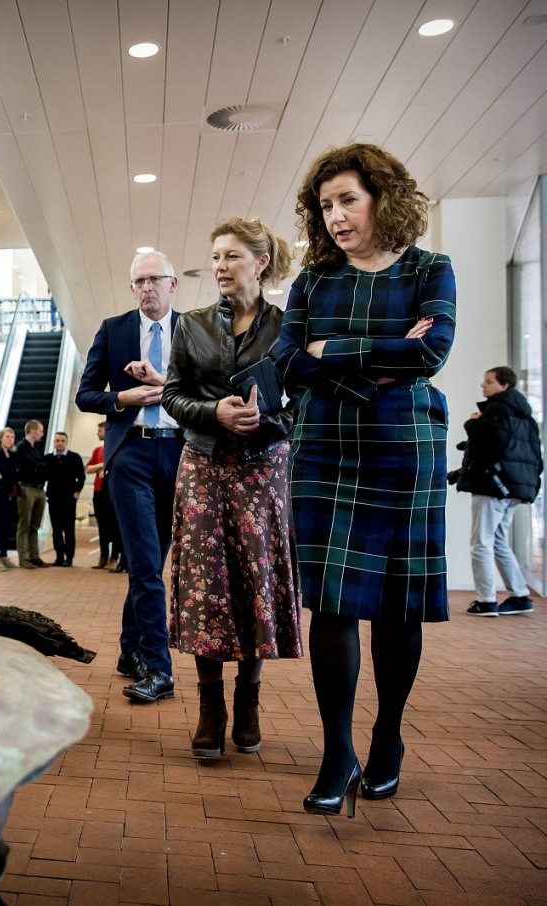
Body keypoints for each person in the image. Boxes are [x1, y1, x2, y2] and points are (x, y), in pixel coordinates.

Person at [274, 143, 456, 817]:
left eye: (348, 199)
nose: (336, 216)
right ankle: (336, 750)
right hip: (323, 447)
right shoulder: (314, 281)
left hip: (403, 446)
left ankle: (387, 738)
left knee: (397, 604)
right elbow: (287, 361)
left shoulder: (430, 270)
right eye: (325, 205)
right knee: (332, 603)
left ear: (382, 195)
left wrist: (333, 352)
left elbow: (431, 351)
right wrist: (379, 360)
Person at [161, 217, 303, 760]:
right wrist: (214, 412)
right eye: (215, 256)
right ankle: (209, 705)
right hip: (202, 464)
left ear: (260, 263)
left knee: (254, 579)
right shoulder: (191, 324)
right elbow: (173, 396)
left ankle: (248, 697)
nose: (220, 266)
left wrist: (262, 422)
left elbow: (300, 407)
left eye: (232, 257)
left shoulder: (288, 327)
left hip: (262, 468)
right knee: (203, 584)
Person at [76, 251, 185, 703]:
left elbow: (209, 391)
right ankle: (158, 667)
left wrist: (169, 386)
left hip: (180, 454)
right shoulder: (113, 329)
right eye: (139, 281)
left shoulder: (194, 330)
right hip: (131, 454)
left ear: (172, 284)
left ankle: (128, 650)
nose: (147, 288)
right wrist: (122, 396)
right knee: (143, 565)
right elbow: (86, 394)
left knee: (151, 565)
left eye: (154, 279)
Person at [450, 367, 542, 616]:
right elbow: (512, 454)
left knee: (480, 543)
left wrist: (472, 422)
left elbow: (490, 444)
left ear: (504, 386)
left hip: (491, 487)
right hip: (511, 487)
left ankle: (486, 600)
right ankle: (520, 595)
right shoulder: (524, 416)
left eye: (489, 381)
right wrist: (460, 474)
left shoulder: (497, 409)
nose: (483, 385)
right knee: (499, 541)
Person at [44, 432, 85, 567]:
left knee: (69, 529)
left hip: (69, 499)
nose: (60, 443)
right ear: (54, 442)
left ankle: (69, 558)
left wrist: (77, 491)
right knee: (56, 530)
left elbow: (81, 476)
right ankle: (59, 557)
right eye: (57, 440)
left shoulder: (74, 458)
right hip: (54, 499)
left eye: (62, 440)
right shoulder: (48, 459)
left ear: (66, 442)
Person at [85, 422, 122, 570]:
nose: (97, 433)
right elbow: (88, 468)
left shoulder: (117, 448)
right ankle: (103, 556)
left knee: (115, 525)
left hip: (113, 491)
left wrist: (103, 466)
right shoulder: (97, 450)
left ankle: (114, 557)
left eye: (99, 430)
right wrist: (102, 465)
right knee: (102, 526)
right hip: (99, 491)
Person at [12, 420, 49, 568]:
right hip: (26, 488)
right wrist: (40, 466)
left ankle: (34, 555)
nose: (42, 433)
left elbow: (43, 464)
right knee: (24, 525)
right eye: (40, 430)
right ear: (33, 431)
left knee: (35, 526)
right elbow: (30, 464)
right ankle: (23, 557)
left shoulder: (38, 447)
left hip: (40, 489)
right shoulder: (21, 448)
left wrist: (40, 466)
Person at [0, 426, 20, 571]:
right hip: (0, 495)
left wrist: (11, 473)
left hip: (12, 495)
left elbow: (17, 473)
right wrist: (12, 473)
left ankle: (4, 555)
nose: (10, 439)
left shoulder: (14, 455)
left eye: (12, 437)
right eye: (7, 436)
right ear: (1, 438)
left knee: (8, 526)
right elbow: (3, 474)